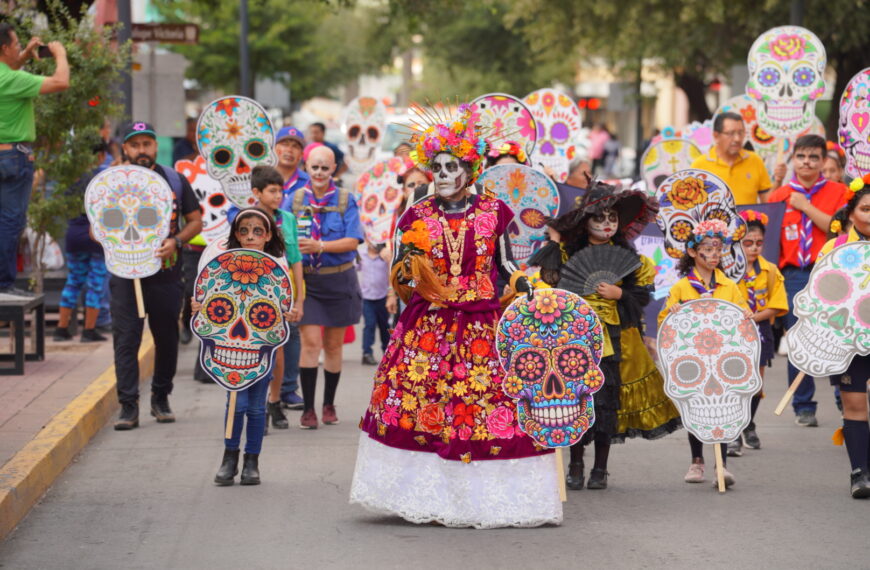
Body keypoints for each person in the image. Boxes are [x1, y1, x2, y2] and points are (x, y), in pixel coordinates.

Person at [349, 104, 562, 528]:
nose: (443, 175)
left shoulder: (494, 211)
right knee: (422, 405)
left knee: (485, 407)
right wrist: (408, 273)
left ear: (470, 169)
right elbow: (401, 269)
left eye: (452, 167)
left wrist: (527, 286)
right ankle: (425, 495)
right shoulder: (416, 213)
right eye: (438, 168)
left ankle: (484, 498)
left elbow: (505, 265)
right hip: (428, 324)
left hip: (482, 323)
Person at [532, 181, 682, 490]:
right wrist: (556, 248)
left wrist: (620, 294)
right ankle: (575, 464)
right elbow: (549, 287)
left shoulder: (630, 259)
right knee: (576, 400)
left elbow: (640, 298)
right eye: (599, 218)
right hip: (574, 338)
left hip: (615, 339)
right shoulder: (566, 253)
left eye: (612, 218)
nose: (607, 224)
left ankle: (600, 468)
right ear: (586, 221)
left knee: (607, 402)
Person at [112, 122, 202, 430]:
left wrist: (176, 241)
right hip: (125, 277)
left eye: (147, 144)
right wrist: (115, 244)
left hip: (166, 275)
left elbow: (195, 221)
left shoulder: (174, 180)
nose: (142, 150)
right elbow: (96, 230)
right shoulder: (110, 183)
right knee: (126, 340)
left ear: (155, 146)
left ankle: (161, 397)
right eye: (135, 144)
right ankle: (128, 406)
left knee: (167, 339)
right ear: (125, 148)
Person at [194, 208, 295, 486]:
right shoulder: (221, 267)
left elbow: (285, 305)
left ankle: (252, 461)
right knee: (236, 405)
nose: (251, 236)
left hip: (261, 346)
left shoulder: (277, 267)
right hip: (229, 348)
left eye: (257, 231)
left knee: (257, 407)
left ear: (268, 235)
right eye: (244, 231)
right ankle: (229, 458)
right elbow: (205, 300)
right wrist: (198, 307)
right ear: (236, 235)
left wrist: (290, 314)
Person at [658, 219, 751, 488]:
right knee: (696, 408)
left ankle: (722, 465)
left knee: (723, 409)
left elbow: (741, 317)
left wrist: (745, 315)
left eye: (718, 249)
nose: (714, 255)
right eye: (708, 249)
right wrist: (672, 314)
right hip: (692, 358)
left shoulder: (729, 286)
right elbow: (664, 324)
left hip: (722, 357)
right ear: (692, 252)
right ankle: (697, 461)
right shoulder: (681, 287)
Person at [767, 134, 852, 427]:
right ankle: (803, 405)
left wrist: (804, 205)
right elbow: (770, 243)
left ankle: (844, 397)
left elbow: (837, 229)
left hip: (830, 271)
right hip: (792, 274)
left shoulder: (839, 192)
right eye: (801, 156)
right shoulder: (779, 196)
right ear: (794, 159)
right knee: (798, 338)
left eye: (814, 157)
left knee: (837, 334)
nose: (807, 162)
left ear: (823, 161)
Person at [289, 146, 363, 429]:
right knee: (310, 343)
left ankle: (328, 404)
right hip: (307, 282)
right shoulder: (295, 199)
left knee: (333, 345)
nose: (319, 173)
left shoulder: (345, 199)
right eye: (314, 167)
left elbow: (352, 241)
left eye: (325, 168)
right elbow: (282, 235)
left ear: (333, 169)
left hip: (339, 279)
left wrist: (320, 245)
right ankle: (308, 409)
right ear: (306, 167)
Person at [0, 23, 69, 296]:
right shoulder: (13, 80)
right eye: (17, 45)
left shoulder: (7, 76)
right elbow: (61, 82)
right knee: (11, 221)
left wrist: (24, 55)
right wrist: (60, 54)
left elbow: (9, 69)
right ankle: (4, 285)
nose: (20, 48)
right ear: (5, 48)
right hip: (13, 157)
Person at [818, 187, 870, 497]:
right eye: (865, 209)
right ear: (851, 214)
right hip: (849, 339)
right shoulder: (834, 249)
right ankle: (859, 472)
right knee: (854, 404)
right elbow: (819, 295)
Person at [729, 210, 788, 456]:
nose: (754, 248)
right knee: (734, 381)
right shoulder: (728, 271)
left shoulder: (770, 270)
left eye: (759, 243)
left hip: (760, 328)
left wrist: (755, 317)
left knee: (755, 382)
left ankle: (749, 424)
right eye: (748, 243)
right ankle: (733, 430)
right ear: (737, 243)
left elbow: (778, 303)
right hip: (733, 330)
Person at [53, 143, 109, 343]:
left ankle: (61, 329)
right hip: (94, 237)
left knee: (73, 281)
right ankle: (88, 331)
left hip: (73, 236)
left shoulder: (72, 178)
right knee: (95, 284)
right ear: (101, 156)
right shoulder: (101, 178)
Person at [690, 112, 778, 205]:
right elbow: (691, 206)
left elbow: (767, 203)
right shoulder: (699, 166)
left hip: (749, 215)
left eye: (741, 133)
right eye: (730, 133)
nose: (737, 139)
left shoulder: (755, 161)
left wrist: (778, 181)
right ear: (716, 136)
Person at [358, 240, 390, 365]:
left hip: (383, 297)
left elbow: (392, 270)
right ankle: (367, 353)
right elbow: (353, 266)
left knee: (385, 326)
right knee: (369, 325)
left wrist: (387, 255)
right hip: (367, 298)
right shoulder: (361, 254)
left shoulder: (385, 255)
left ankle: (387, 352)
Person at [275, 126, 310, 214]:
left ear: (301, 155)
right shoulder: (260, 179)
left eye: (295, 146)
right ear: (273, 148)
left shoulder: (309, 183)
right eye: (285, 144)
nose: (289, 150)